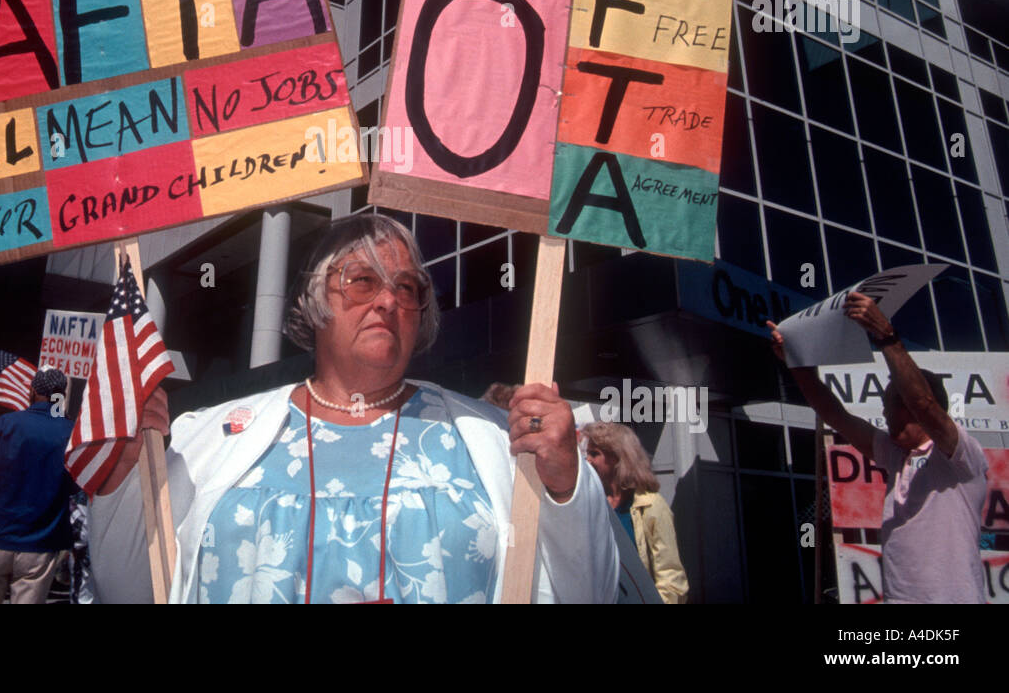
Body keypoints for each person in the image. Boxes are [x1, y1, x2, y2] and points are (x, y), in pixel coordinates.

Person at [89, 215, 619, 603]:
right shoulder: (209, 438)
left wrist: (565, 488)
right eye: (362, 281)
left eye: (407, 288)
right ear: (315, 299)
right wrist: (127, 470)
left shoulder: (495, 442)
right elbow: (132, 590)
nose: (387, 301)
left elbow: (586, 590)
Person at [768, 291, 989, 603]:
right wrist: (795, 364)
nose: (884, 414)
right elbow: (835, 415)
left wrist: (886, 337)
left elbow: (923, 403)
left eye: (891, 405)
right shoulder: (897, 455)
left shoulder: (960, 456)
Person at [0, 367, 75, 604]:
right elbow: (77, 486)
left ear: (32, 390)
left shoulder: (6, 424)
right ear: (61, 396)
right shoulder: (71, 433)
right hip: (41, 543)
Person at [580, 420, 688, 604]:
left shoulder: (651, 506)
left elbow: (671, 577)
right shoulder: (589, 503)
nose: (587, 460)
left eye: (594, 454)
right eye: (587, 453)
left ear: (617, 458)